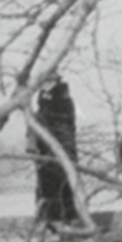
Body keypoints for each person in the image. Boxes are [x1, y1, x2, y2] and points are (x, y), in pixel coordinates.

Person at [30, 74, 82, 229]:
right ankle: (57, 222)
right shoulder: (47, 101)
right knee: (51, 187)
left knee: (57, 187)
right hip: (49, 151)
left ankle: (60, 222)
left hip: (57, 150)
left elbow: (60, 125)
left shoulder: (60, 100)